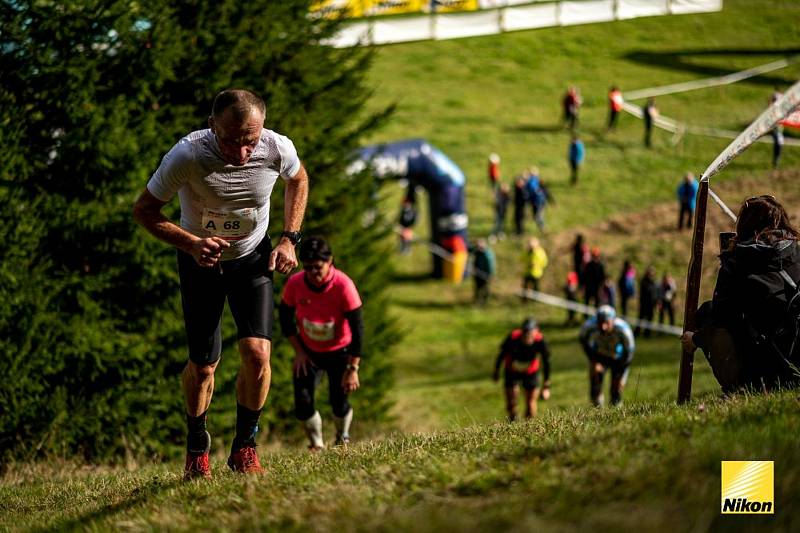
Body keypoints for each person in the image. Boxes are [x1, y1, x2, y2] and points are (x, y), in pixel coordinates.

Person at [133, 89, 308, 480]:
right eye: (231, 140)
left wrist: (288, 238)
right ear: (212, 126)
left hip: (251, 258)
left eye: (251, 141)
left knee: (258, 354)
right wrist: (192, 243)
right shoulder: (187, 155)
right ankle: (198, 448)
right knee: (204, 366)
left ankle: (245, 448)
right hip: (201, 265)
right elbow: (144, 211)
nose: (242, 152)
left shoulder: (277, 148)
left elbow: (298, 179)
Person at [681, 195, 800, 392]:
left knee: (706, 312)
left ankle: (741, 387)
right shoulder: (796, 254)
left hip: (764, 375)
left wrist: (695, 340)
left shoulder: (737, 264)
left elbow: (721, 319)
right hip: (796, 364)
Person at [278, 237, 364, 451]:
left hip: (340, 352)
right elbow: (285, 319)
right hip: (309, 352)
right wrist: (299, 352)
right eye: (307, 268)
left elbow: (358, 330)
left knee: (339, 401)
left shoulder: (344, 285)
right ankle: (316, 443)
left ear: (330, 261)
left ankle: (342, 435)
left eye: (318, 267)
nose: (313, 273)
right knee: (303, 402)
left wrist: (353, 368)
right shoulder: (295, 284)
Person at [493, 318, 552, 420]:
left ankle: (529, 427)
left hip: (531, 371)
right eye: (525, 333)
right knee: (511, 402)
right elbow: (501, 355)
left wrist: (546, 385)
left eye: (530, 333)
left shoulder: (540, 341)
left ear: (536, 331)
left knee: (530, 402)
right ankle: (513, 423)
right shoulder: (513, 338)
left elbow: (547, 362)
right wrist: (496, 371)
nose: (527, 337)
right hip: (512, 371)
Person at [579, 305, 635, 406]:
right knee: (595, 383)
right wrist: (593, 361)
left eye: (607, 323)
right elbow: (583, 341)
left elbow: (629, 354)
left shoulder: (624, 330)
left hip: (618, 358)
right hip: (600, 356)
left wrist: (622, 375)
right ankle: (596, 411)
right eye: (600, 322)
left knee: (616, 389)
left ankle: (617, 411)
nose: (603, 327)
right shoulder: (589, 326)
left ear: (613, 320)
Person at [635, 266, 659, 337]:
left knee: (650, 319)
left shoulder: (653, 282)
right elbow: (644, 293)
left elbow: (654, 294)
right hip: (644, 304)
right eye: (650, 273)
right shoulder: (644, 282)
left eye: (652, 274)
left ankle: (647, 333)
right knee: (641, 319)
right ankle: (637, 332)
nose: (651, 275)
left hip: (651, 305)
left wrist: (656, 302)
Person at [472, 238, 496, 305]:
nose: (478, 248)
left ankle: (485, 301)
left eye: (479, 246)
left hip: (485, 274)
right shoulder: (477, 253)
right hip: (477, 273)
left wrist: (490, 275)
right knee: (477, 288)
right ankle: (476, 300)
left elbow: (490, 266)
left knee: (485, 288)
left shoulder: (487, 255)